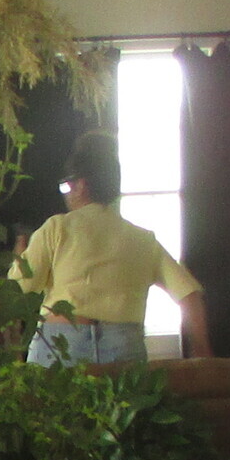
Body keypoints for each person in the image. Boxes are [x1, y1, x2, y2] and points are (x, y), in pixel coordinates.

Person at [13, 131, 209, 365]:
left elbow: (19, 287)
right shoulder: (143, 239)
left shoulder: (57, 227)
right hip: (123, 345)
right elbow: (188, 294)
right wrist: (203, 352)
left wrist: (19, 254)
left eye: (66, 187)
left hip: (61, 344)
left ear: (82, 185)